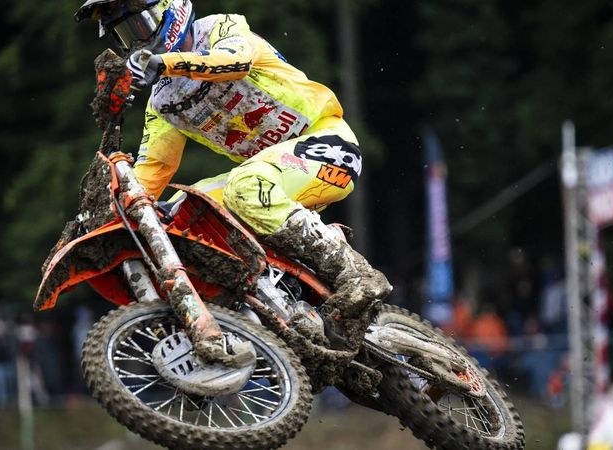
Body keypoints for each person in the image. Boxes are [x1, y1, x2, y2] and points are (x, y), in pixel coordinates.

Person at [73, 0, 391, 354]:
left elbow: (236, 62)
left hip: (327, 143)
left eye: (141, 25)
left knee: (246, 186)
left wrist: (165, 62)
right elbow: (153, 169)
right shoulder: (162, 102)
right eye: (125, 34)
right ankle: (266, 304)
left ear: (170, 9)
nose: (137, 41)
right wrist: (105, 217)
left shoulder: (221, 29)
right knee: (179, 213)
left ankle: (356, 274)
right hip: (271, 174)